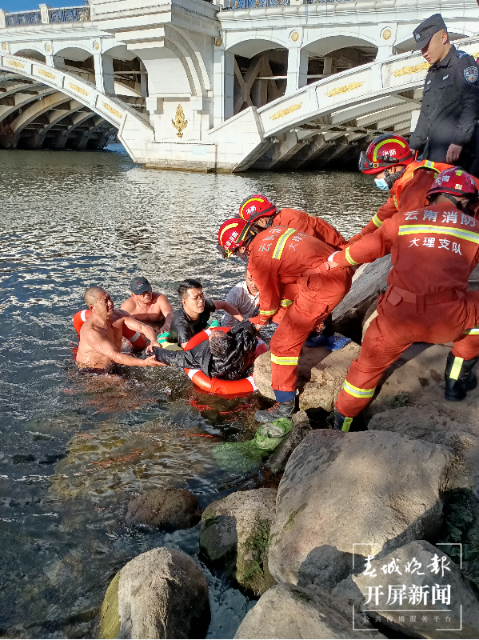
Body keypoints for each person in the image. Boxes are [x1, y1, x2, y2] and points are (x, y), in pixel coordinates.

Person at [325, 168, 479, 432]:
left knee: (365, 371)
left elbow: (366, 249)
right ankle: (457, 377)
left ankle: (342, 422)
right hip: (447, 320)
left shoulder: (404, 219)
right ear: (465, 201)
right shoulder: (475, 229)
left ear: (433, 196)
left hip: (396, 319)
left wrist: (334, 260)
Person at [218, 218, 353, 422]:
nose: (238, 256)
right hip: (336, 271)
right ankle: (313, 335)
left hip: (324, 285)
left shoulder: (257, 259)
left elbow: (269, 303)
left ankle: (285, 404)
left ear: (242, 247)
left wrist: (258, 321)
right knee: (285, 304)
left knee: (281, 346)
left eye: (235, 252)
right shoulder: (274, 232)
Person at [237, 194, 347, 329]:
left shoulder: (291, 223)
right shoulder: (284, 219)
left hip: (334, 264)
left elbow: (308, 259)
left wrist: (262, 317)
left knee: (286, 298)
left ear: (261, 222)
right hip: (331, 261)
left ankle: (316, 328)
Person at [350, 134, 452, 243]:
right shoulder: (406, 179)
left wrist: (342, 258)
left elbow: (396, 231)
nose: (375, 179)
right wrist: (359, 236)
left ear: (391, 169)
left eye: (376, 174)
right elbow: (383, 214)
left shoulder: (414, 186)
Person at [408, 14, 479, 167]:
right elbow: (426, 113)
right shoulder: (432, 73)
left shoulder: (463, 64)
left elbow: (472, 104)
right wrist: (413, 144)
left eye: (427, 45)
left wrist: (459, 141)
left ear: (443, 37)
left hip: (459, 158)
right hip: (434, 155)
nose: (424, 52)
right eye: (421, 48)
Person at [76, 287, 161, 371]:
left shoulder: (119, 316)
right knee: (122, 383)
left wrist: (153, 340)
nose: (110, 303)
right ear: (92, 308)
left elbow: (142, 327)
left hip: (114, 362)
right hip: (91, 370)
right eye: (105, 301)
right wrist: (144, 363)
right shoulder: (91, 331)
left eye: (109, 298)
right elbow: (115, 355)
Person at [153, 321, 258, 380]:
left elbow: (174, 358)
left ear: (211, 351)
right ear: (229, 337)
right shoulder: (244, 340)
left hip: (222, 377)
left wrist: (155, 350)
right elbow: (250, 322)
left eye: (213, 334)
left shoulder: (201, 357)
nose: (213, 332)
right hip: (242, 371)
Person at [166, 278, 244, 349]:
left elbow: (224, 305)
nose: (201, 301)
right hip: (178, 344)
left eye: (201, 295)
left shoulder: (203, 305)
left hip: (199, 332)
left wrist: (243, 321)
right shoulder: (180, 322)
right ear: (184, 301)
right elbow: (187, 347)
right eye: (195, 298)